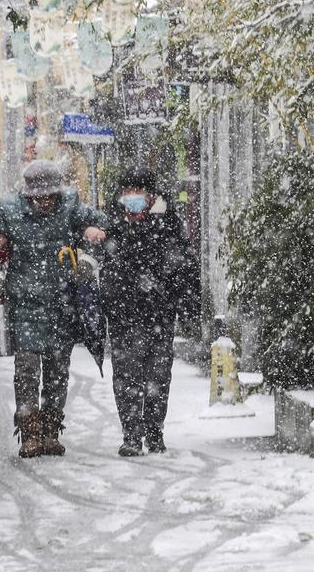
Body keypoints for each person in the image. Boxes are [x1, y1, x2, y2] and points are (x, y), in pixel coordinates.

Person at [0, 160, 106, 458]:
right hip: (25, 305)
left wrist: (89, 256)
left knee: (58, 372)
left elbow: (100, 227)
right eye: (39, 197)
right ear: (28, 193)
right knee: (26, 371)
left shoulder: (71, 206)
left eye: (50, 196)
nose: (45, 202)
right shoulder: (9, 211)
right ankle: (30, 433)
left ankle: (51, 431)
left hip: (63, 304)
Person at [100, 168, 200, 457]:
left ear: (151, 195)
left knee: (158, 376)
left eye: (138, 191)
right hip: (124, 316)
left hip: (159, 314)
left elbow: (184, 268)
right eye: (127, 192)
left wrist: (186, 306)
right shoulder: (113, 226)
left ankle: (155, 432)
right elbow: (106, 268)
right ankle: (131, 435)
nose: (132, 197)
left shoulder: (168, 224)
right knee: (126, 377)